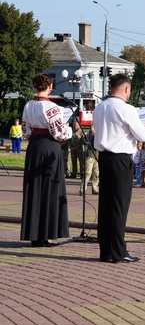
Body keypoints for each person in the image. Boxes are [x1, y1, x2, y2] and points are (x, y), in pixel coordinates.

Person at [93, 73, 145, 263]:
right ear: (126, 89)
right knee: (119, 205)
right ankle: (119, 252)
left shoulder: (100, 107)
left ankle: (106, 251)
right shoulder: (127, 109)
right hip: (120, 159)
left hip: (104, 157)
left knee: (106, 204)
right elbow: (142, 136)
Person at [20, 74, 73, 247]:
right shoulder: (53, 108)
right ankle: (48, 235)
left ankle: (35, 235)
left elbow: (26, 131)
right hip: (50, 147)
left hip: (35, 147)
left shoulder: (28, 105)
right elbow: (58, 134)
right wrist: (69, 130)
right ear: (49, 87)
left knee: (34, 190)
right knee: (51, 189)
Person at [82, 124, 100, 195]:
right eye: (91, 127)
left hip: (97, 156)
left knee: (96, 174)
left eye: (93, 127)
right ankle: (83, 189)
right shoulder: (88, 136)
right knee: (87, 173)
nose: (92, 128)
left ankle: (95, 189)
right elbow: (87, 141)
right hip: (90, 156)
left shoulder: (98, 135)